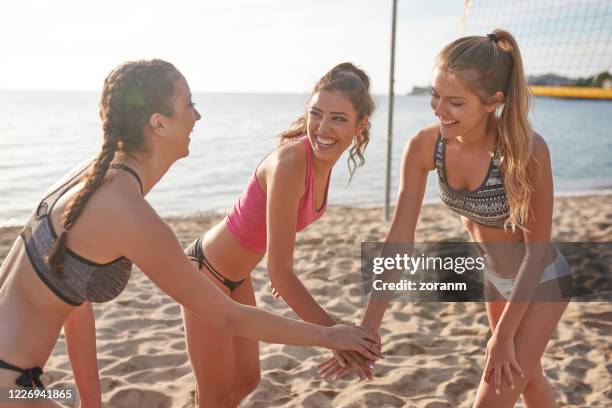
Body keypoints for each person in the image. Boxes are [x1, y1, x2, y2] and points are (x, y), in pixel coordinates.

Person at [0, 59, 381, 408]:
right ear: (158, 123)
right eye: (189, 104)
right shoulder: (125, 210)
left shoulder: (96, 179)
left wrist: (90, 402)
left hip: (28, 383)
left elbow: (73, 295)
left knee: (243, 381)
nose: (198, 116)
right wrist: (331, 336)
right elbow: (229, 317)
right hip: (12, 385)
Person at [319, 30, 571, 408]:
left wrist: (502, 337)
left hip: (541, 281)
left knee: (494, 394)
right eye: (435, 96)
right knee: (529, 383)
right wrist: (370, 324)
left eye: (455, 102)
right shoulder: (425, 146)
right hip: (495, 281)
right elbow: (400, 238)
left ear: (493, 102)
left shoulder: (527, 151)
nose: (439, 109)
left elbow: (535, 254)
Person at [177, 62, 378, 407]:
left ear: (360, 126)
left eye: (338, 118)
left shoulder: (321, 163)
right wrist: (336, 336)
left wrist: (277, 263)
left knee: (246, 379)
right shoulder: (290, 164)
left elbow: (277, 245)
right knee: (212, 396)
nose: (323, 128)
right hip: (204, 274)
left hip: (235, 277)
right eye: (317, 114)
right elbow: (281, 273)